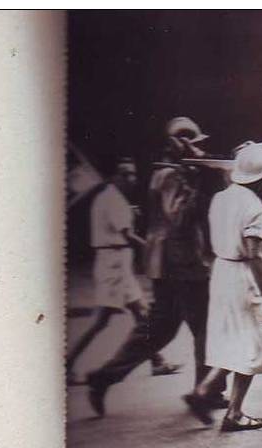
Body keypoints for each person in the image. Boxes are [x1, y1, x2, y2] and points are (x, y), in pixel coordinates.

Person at [86, 117, 228, 416]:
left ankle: (103, 377)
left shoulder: (173, 174)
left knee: (158, 330)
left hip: (168, 263)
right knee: (205, 327)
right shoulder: (169, 176)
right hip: (182, 263)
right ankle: (206, 392)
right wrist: (197, 178)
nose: (198, 150)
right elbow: (178, 218)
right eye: (193, 144)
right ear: (179, 144)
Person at [183, 143, 262, 432]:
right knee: (259, 340)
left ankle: (207, 390)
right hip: (242, 275)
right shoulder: (254, 206)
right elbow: (255, 254)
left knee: (238, 340)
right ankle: (232, 410)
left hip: (221, 271)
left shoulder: (220, 198)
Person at [66, 155, 182, 386]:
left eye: (133, 173)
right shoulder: (112, 199)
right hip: (112, 264)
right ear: (114, 176)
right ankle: (66, 364)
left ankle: (157, 361)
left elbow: (121, 226)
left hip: (119, 262)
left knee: (142, 314)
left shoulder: (111, 197)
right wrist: (152, 249)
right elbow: (127, 234)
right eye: (125, 174)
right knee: (101, 320)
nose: (132, 178)